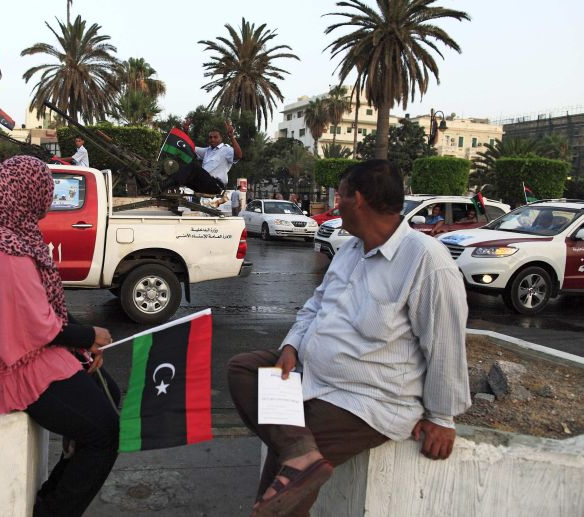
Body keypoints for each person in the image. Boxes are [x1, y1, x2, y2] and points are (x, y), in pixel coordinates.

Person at [227, 160, 470, 516]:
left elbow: (445, 344)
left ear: (356, 199)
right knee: (244, 369)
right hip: (312, 377)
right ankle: (301, 453)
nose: (335, 203)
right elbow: (316, 304)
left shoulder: (426, 261)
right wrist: (292, 345)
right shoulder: (350, 250)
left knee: (279, 489)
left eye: (339, 195)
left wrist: (441, 418)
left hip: (364, 400)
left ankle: (297, 456)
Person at [0, 156, 120, 517]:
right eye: (44, 190)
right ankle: (54, 508)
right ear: (26, 196)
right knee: (103, 432)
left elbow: (40, 308)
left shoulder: (6, 236)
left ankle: (51, 496)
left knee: (107, 391)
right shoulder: (2, 252)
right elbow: (29, 328)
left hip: (15, 346)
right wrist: (87, 335)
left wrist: (81, 344)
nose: (48, 198)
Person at [161, 121, 242, 195]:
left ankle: (163, 185)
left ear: (221, 138)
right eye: (210, 137)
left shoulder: (226, 149)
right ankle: (166, 187)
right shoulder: (207, 151)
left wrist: (232, 137)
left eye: (215, 137)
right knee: (185, 174)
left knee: (194, 167)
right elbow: (189, 147)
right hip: (203, 184)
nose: (212, 139)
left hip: (216, 185)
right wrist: (185, 131)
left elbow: (239, 155)